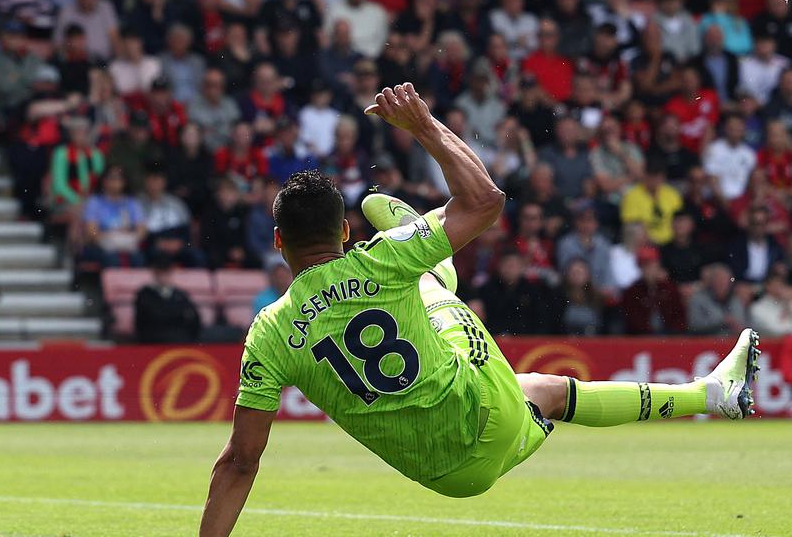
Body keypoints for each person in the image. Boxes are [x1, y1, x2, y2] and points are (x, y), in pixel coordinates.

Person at [200, 85, 759, 535]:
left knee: (544, 390)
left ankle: (712, 395)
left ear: (277, 242)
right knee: (428, 288)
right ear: (345, 231)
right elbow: (487, 202)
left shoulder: (268, 333)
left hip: (447, 475)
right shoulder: (377, 262)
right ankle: (434, 261)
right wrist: (424, 128)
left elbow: (240, 461)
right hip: (486, 414)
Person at [133, 255, 200, 343]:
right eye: (161, 272)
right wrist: (177, 314)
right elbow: (149, 318)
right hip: (153, 337)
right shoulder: (145, 293)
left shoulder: (180, 294)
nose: (164, 276)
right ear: (155, 273)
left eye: (167, 272)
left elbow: (193, 316)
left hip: (180, 336)